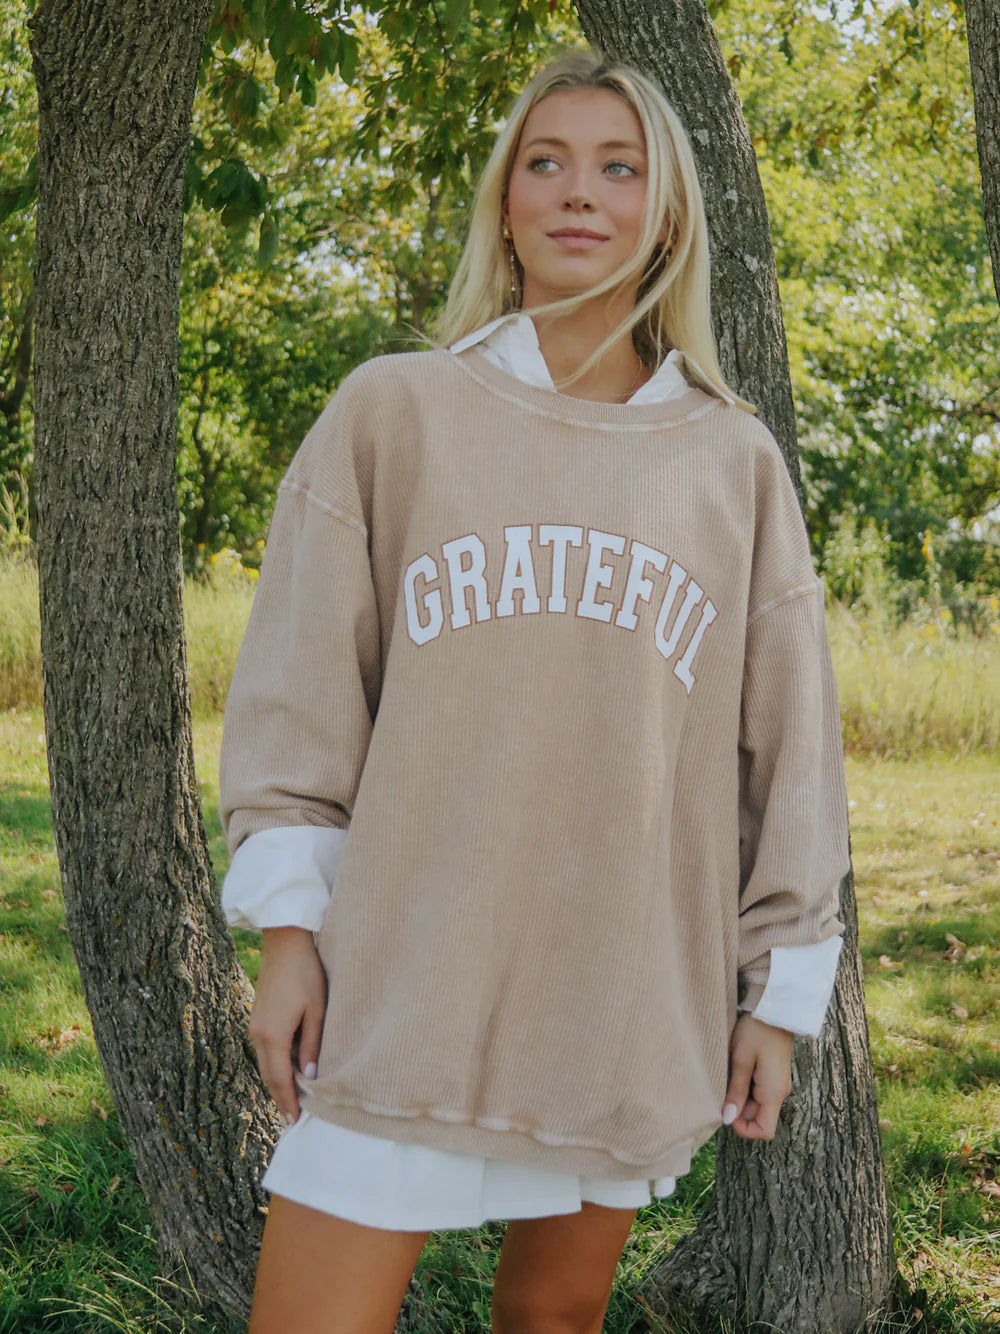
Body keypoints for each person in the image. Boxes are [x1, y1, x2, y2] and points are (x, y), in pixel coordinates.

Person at [218, 46, 850, 1334]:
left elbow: (789, 755)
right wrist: (289, 936)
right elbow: (299, 702)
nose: (578, 193)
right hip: (402, 981)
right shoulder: (396, 412)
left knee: (553, 1321)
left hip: (621, 990)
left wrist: (777, 1003)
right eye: (545, 163)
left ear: (665, 214)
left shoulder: (729, 461)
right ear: (504, 204)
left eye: (619, 168)